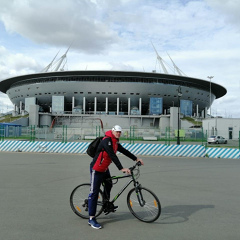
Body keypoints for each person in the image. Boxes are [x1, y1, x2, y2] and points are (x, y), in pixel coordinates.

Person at [88, 125, 144, 229]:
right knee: (94, 193)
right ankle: (91, 218)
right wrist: (121, 168)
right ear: (113, 131)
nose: (118, 134)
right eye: (117, 132)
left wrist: (136, 159)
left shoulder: (115, 142)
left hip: (104, 168)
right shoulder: (106, 140)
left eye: (120, 132)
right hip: (96, 168)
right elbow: (112, 155)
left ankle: (106, 203)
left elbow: (124, 151)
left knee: (109, 184)